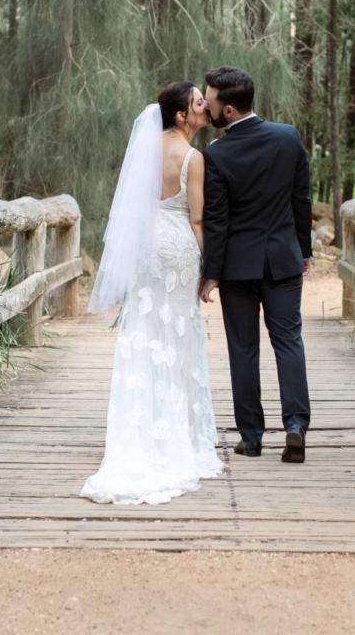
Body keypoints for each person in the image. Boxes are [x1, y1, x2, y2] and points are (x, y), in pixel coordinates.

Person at [81, 82, 224, 504]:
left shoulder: (145, 150)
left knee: (145, 331)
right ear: (182, 116)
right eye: (198, 102)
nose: (205, 106)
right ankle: (176, 432)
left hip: (146, 247)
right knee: (178, 334)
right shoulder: (193, 158)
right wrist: (210, 269)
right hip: (178, 247)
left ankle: (141, 425)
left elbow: (135, 204)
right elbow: (197, 220)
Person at [198, 66, 313, 464]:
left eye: (210, 100)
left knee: (243, 349)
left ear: (227, 110)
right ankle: (296, 426)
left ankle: (251, 437)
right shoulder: (288, 137)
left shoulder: (216, 154)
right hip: (282, 258)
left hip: (237, 267)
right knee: (288, 341)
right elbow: (302, 199)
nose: (206, 104)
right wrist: (305, 251)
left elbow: (216, 219)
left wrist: (210, 273)